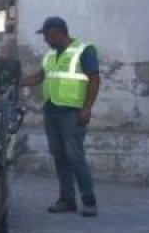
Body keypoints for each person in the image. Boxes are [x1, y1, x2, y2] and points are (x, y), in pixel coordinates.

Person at [19, 16, 101, 217]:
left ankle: (89, 201)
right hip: (52, 111)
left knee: (75, 156)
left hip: (72, 112)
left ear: (57, 32)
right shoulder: (51, 55)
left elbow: (94, 79)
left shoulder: (84, 50)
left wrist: (87, 108)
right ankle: (67, 199)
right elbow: (41, 76)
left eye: (46, 35)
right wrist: (17, 82)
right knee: (60, 156)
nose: (45, 40)